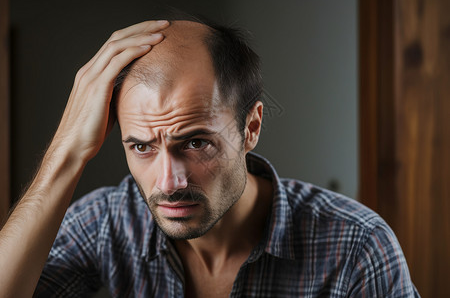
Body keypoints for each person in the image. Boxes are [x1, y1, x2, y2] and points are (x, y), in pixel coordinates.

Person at [0, 18, 420, 297]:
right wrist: (66, 152)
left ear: (250, 127)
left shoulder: (356, 245)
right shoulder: (105, 227)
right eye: (142, 147)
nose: (168, 182)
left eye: (196, 142)